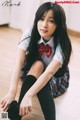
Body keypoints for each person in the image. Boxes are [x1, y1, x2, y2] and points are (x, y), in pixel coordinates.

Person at [0, 2, 72, 120]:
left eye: (51, 21)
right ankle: (20, 110)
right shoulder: (29, 33)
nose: (44, 25)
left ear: (58, 25)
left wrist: (28, 95)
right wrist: (12, 92)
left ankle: (20, 113)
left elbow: (49, 73)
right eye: (41, 19)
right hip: (33, 70)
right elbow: (18, 62)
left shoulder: (63, 44)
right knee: (38, 64)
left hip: (54, 77)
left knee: (44, 81)